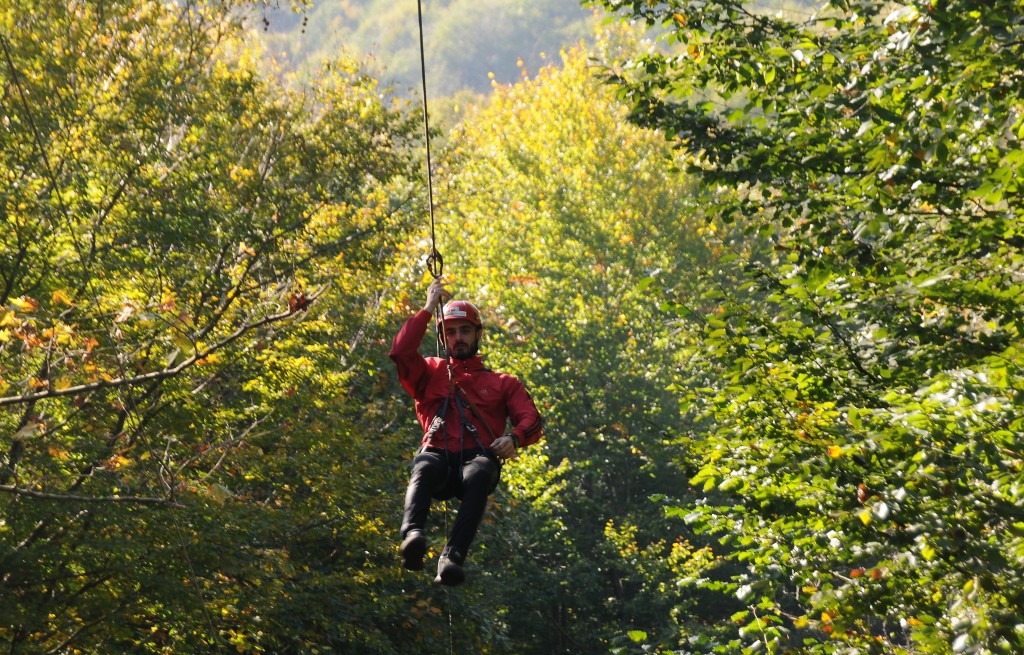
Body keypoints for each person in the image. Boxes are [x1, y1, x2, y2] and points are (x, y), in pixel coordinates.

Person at [389, 277, 543, 586]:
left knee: (480, 471)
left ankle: (453, 557)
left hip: (476, 458)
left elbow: (532, 419)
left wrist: (514, 438)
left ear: (478, 334)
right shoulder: (428, 371)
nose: (458, 338)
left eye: (465, 331)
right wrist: (428, 308)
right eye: (450, 332)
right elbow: (401, 351)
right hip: (438, 455)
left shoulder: (503, 383)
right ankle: (413, 537)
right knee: (425, 465)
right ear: (442, 338)